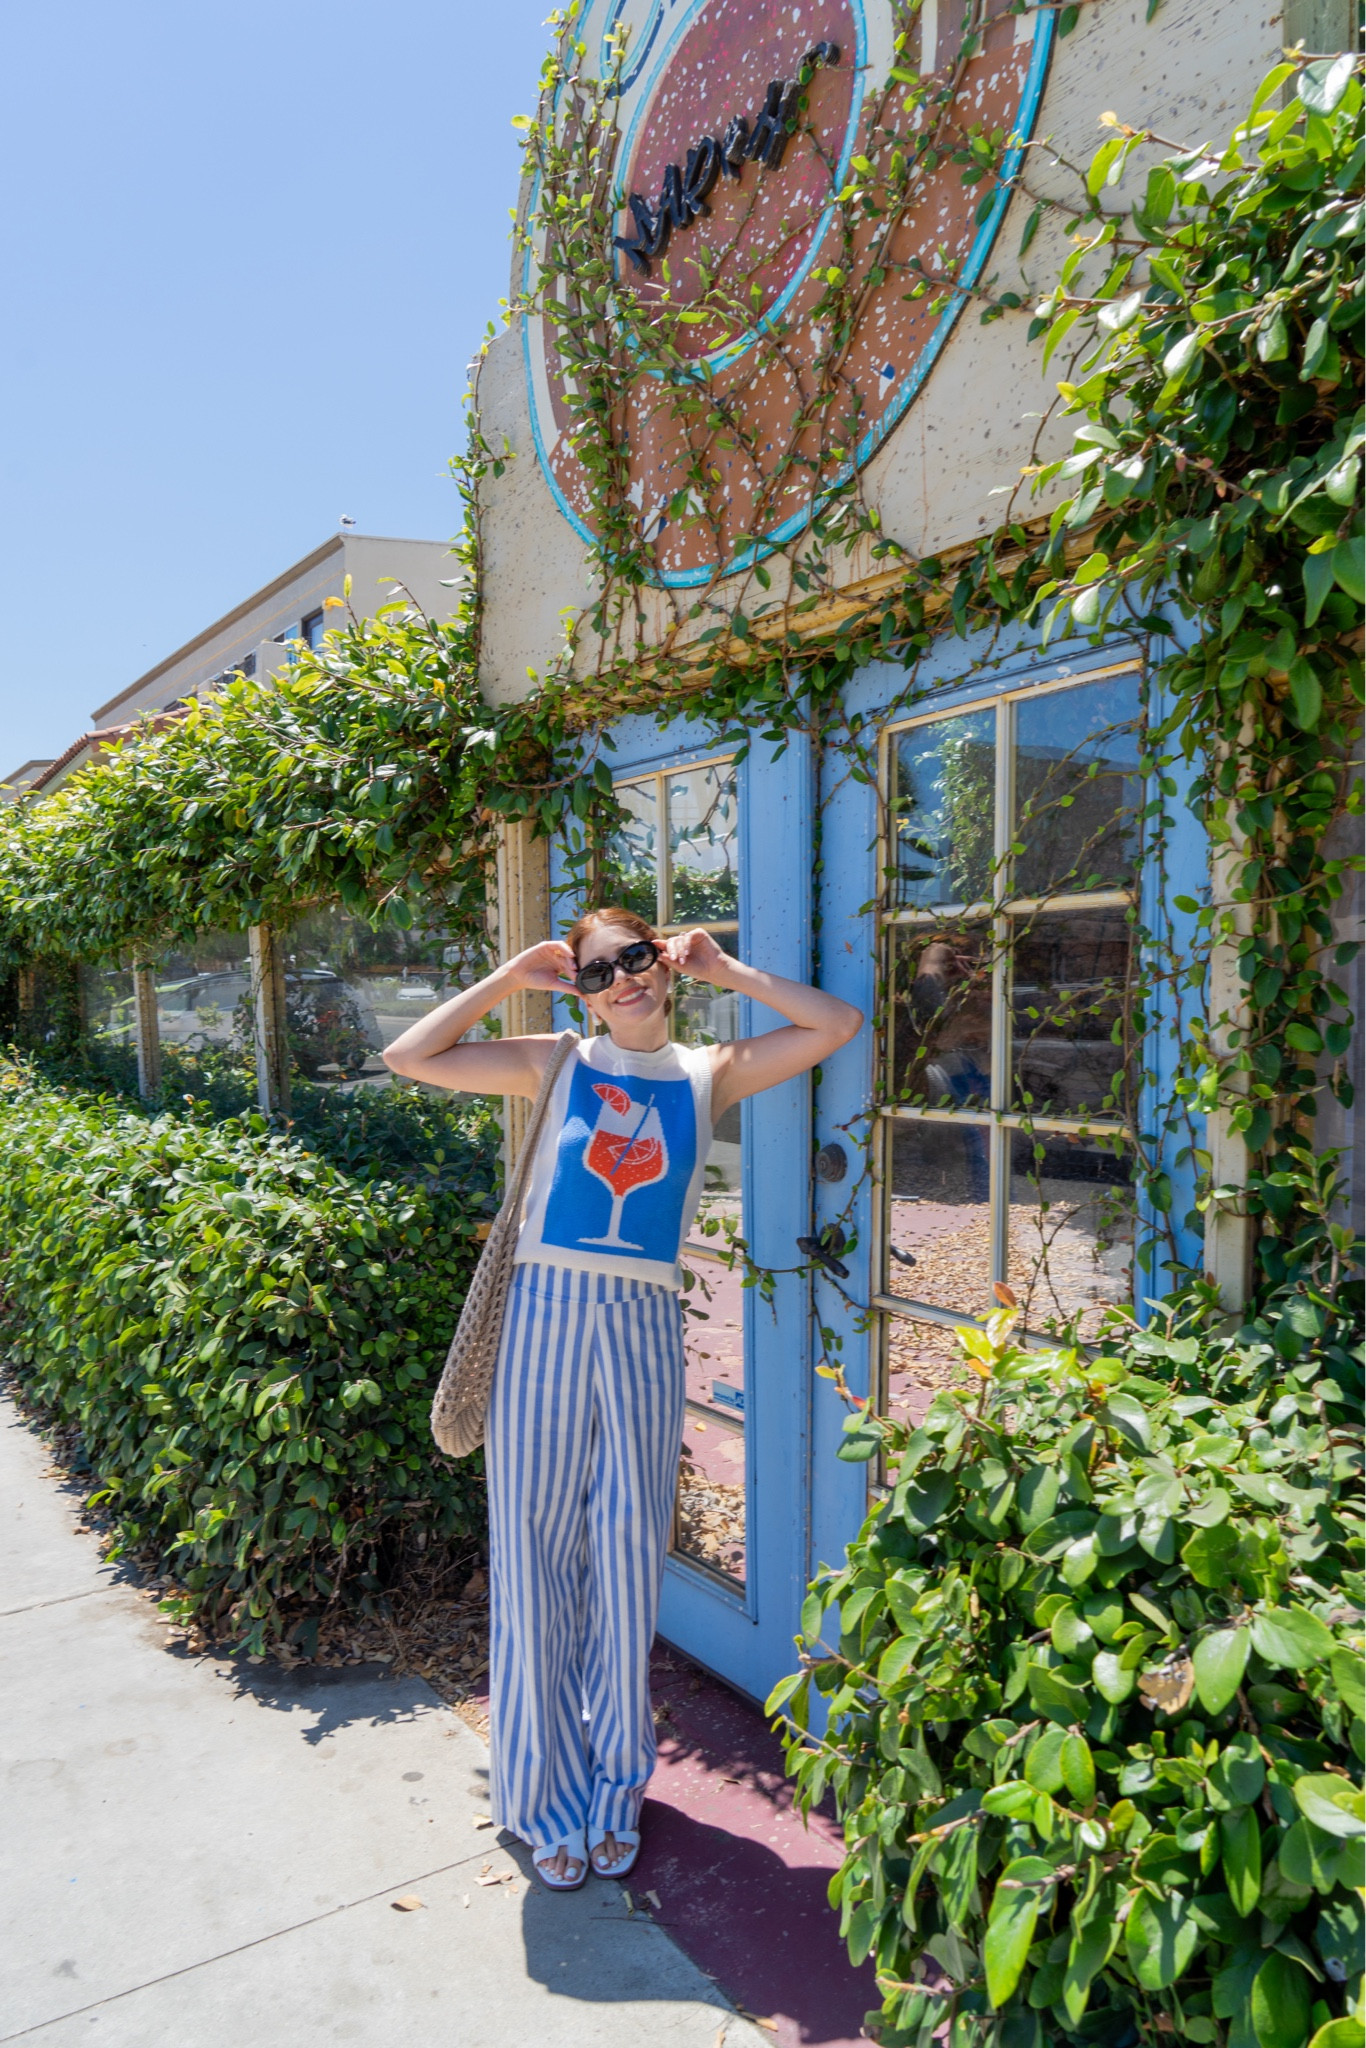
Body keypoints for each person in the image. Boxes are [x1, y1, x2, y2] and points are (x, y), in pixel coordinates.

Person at [383, 908, 862, 1891]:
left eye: (634, 959)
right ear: (581, 987)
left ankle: (612, 1789)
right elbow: (409, 1052)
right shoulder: (554, 1059)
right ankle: (538, 1793)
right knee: (532, 1564)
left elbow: (832, 1026)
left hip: (640, 1327)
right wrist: (515, 974)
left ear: (664, 961)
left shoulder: (706, 1070)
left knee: (627, 1565)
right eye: (597, 971)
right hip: (543, 1326)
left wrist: (733, 968)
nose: (620, 982)